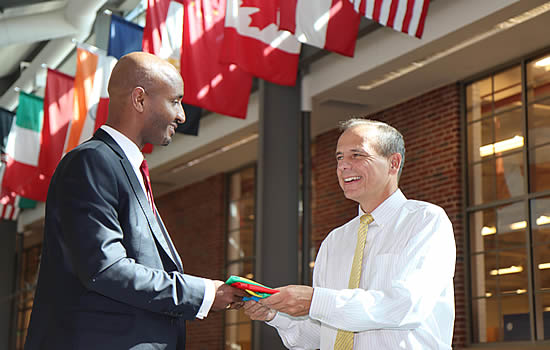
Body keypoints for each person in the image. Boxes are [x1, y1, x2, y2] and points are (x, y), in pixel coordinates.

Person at [24, 52, 245, 350]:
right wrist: (204, 293)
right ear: (139, 99)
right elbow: (106, 268)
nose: (181, 115)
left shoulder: (122, 167)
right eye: (175, 101)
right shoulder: (92, 162)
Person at [244, 118, 456, 349]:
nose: (343, 166)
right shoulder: (335, 241)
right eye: (339, 157)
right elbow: (321, 334)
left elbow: (406, 305)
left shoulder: (425, 220)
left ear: (393, 163)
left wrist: (315, 301)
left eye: (356, 155)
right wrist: (276, 315)